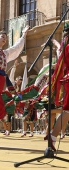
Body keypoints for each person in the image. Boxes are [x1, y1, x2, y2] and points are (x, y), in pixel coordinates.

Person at [48, 22, 69, 151]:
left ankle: (53, 137)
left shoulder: (64, 46)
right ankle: (53, 137)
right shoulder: (67, 47)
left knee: (67, 111)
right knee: (67, 111)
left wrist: (56, 43)